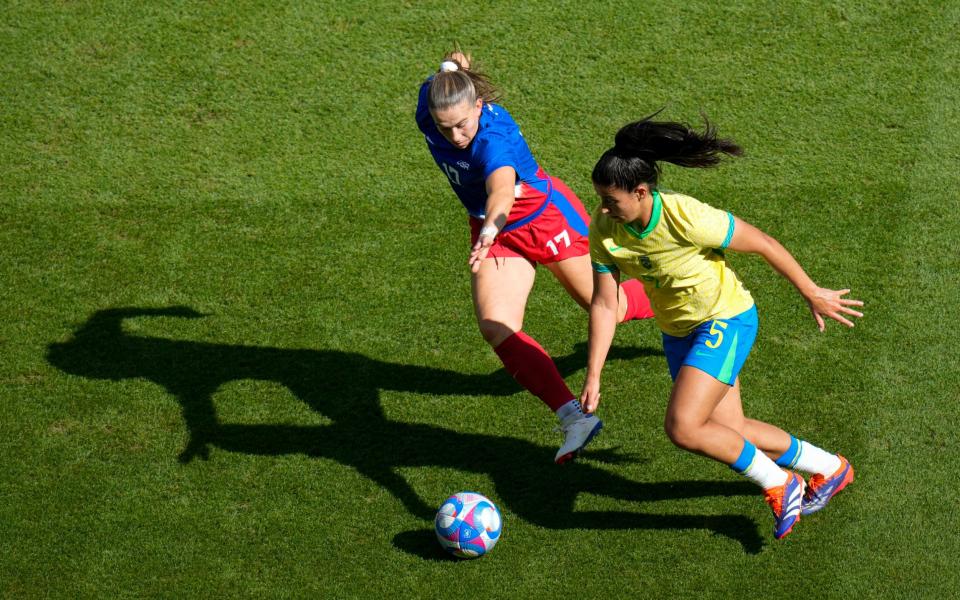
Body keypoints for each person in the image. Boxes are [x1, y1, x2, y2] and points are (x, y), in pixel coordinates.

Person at [580, 113, 863, 539]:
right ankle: (830, 468)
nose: (603, 207)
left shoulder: (685, 216)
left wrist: (811, 291)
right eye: (600, 197)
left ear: (640, 192)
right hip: (678, 333)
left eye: (610, 199)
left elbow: (763, 243)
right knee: (728, 432)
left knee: (683, 427)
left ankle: (780, 482)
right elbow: (604, 304)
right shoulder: (604, 229)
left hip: (725, 318)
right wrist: (594, 374)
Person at [415, 51, 655, 464]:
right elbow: (443, 81)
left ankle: (678, 296)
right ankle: (573, 418)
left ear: (478, 107)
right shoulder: (431, 105)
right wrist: (451, 65)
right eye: (445, 127)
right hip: (496, 234)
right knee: (497, 327)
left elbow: (502, 192)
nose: (455, 136)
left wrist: (490, 229)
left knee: (609, 309)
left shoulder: (493, 141)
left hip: (545, 220)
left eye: (462, 125)